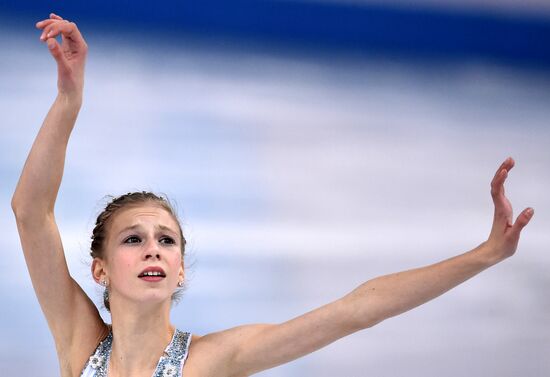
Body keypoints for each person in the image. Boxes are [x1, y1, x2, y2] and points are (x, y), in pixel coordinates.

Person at [12, 13, 534, 377]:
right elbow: (30, 212)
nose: (154, 249)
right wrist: (69, 99)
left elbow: (356, 310)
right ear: (99, 269)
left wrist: (485, 254)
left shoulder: (217, 360)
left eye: (167, 241)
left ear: (181, 270)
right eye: (133, 239)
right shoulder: (79, 346)